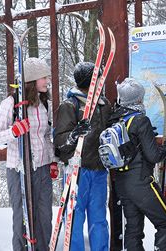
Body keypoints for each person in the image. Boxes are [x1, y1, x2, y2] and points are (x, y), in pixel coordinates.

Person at [0, 57, 58, 250]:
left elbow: (45, 136)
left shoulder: (44, 104)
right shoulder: (10, 104)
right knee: (22, 217)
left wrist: (52, 160)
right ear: (32, 81)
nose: (47, 81)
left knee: (44, 216)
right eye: (43, 77)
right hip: (19, 168)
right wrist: (14, 131)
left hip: (42, 169)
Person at [110, 78, 166, 251]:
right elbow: (153, 156)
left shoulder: (116, 119)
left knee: (133, 230)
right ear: (138, 99)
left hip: (122, 184)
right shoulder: (140, 120)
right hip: (141, 183)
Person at [54, 61, 111, 250]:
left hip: (99, 170)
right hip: (78, 170)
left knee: (99, 218)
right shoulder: (70, 105)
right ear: (90, 81)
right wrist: (74, 135)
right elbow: (60, 142)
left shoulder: (104, 104)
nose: (103, 81)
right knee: (75, 217)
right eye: (99, 77)